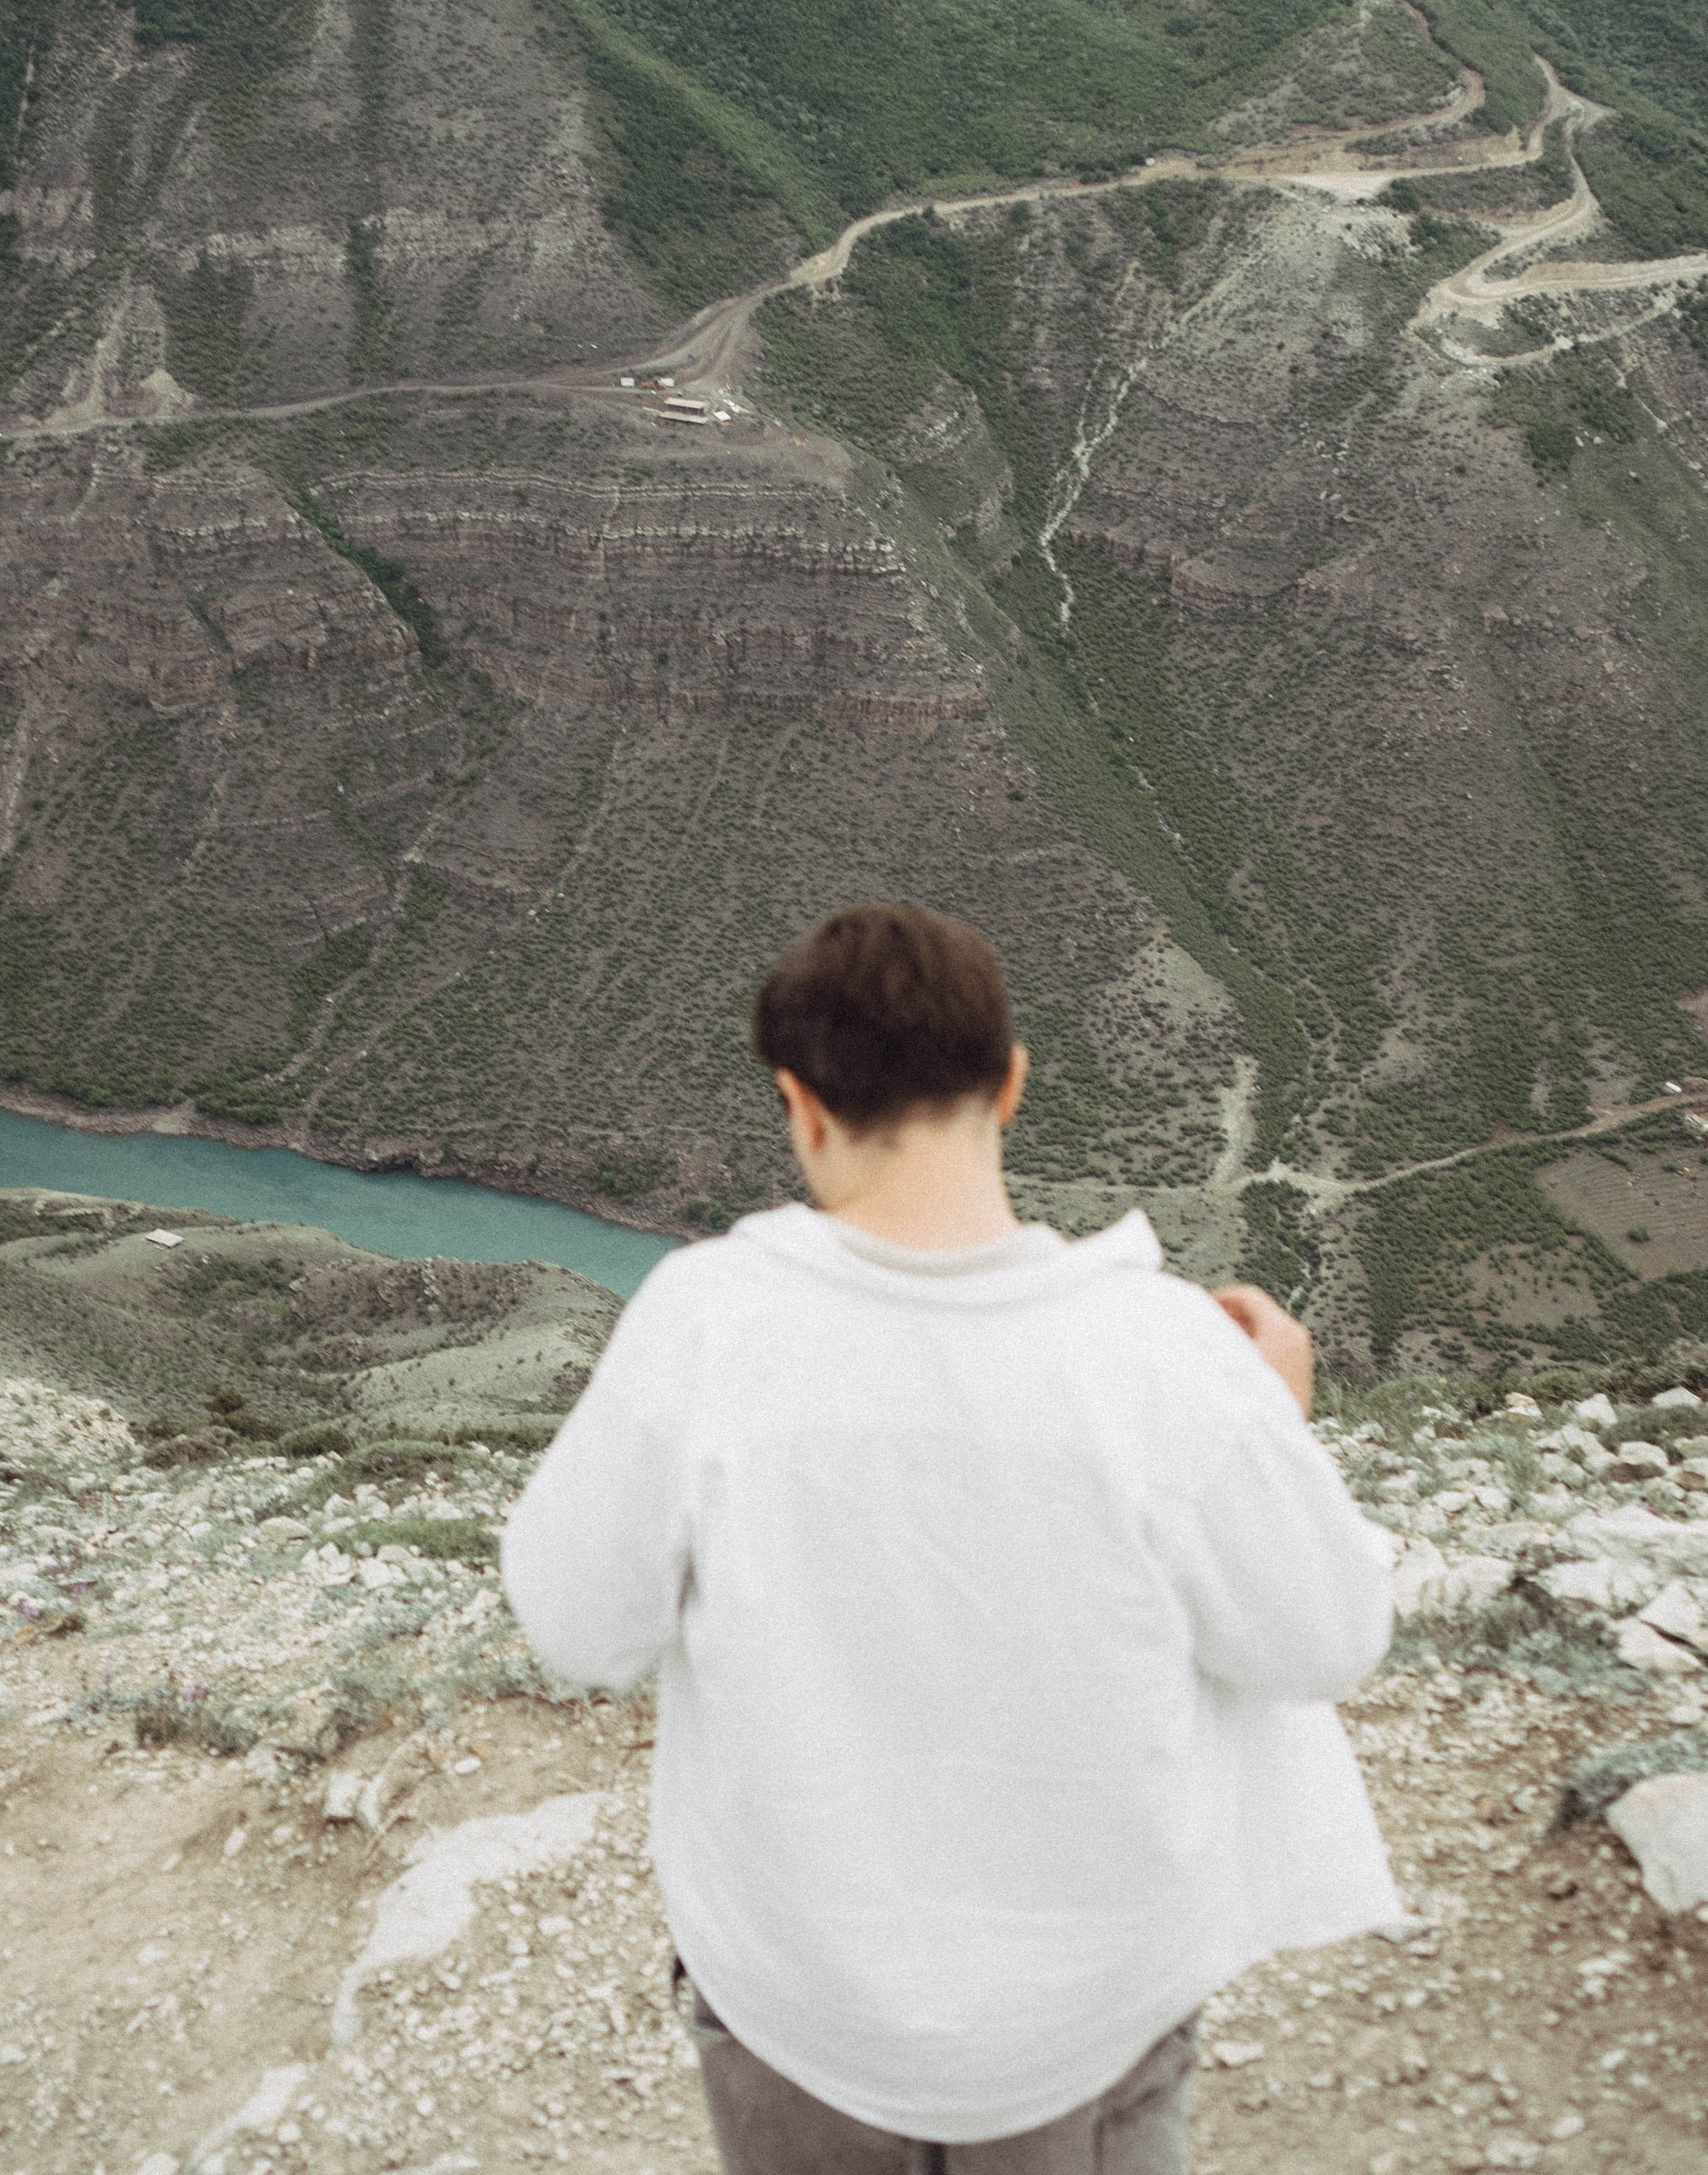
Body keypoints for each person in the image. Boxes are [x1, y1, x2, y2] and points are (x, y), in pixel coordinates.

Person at [501, 903, 1399, 2173]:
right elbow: (1327, 1642)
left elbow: (576, 1628)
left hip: (800, 2008)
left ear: (801, 1103)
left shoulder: (705, 1327)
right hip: (1086, 2016)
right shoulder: (1165, 1352)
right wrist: (1277, 1424)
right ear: (1014, 1084)